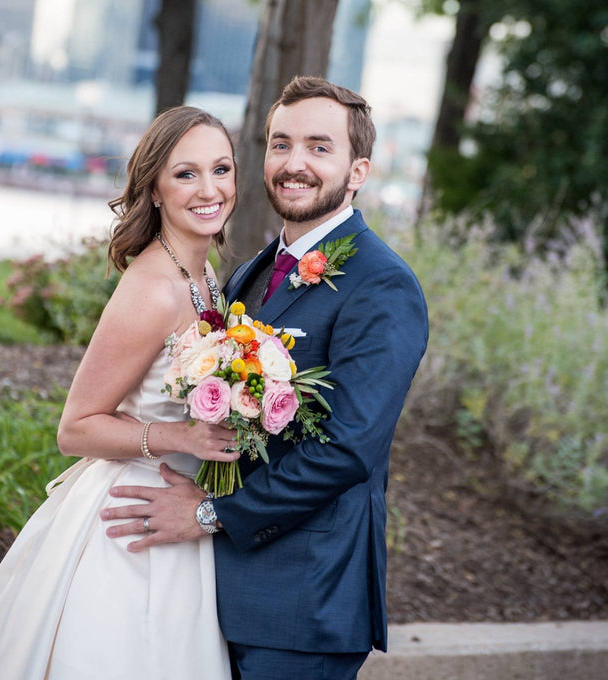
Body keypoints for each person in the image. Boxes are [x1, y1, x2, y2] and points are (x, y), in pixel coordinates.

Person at [102, 76, 429, 680]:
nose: (294, 163)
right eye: (281, 144)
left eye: (318, 147)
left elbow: (348, 448)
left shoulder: (383, 286)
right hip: (208, 591)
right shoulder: (252, 271)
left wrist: (208, 515)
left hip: (301, 601)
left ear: (358, 171)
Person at [0, 106, 239, 680]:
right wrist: (182, 434)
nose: (210, 189)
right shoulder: (152, 289)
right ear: (153, 188)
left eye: (221, 169)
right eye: (186, 174)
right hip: (131, 523)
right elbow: (75, 427)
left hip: (181, 510)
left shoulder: (205, 275)